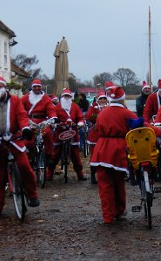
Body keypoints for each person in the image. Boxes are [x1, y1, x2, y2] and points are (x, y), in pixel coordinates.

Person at [0, 75, 40, 217]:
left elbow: (22, 116)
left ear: (5, 88)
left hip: (13, 138)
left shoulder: (15, 101)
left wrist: (25, 128)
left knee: (24, 166)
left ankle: (32, 194)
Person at [88, 86, 144, 224]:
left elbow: (96, 130)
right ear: (122, 98)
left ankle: (108, 216)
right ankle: (119, 210)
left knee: (105, 184)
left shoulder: (102, 113)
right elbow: (140, 127)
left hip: (101, 151)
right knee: (119, 181)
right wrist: (158, 132)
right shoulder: (127, 114)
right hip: (118, 151)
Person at [20, 79, 57, 179]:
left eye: (38, 86)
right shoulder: (25, 98)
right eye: (35, 86)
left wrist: (53, 117)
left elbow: (50, 109)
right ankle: (31, 156)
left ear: (41, 87)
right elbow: (20, 109)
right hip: (30, 121)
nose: (37, 88)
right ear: (32, 87)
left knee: (48, 134)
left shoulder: (45, 98)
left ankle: (48, 156)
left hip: (42, 121)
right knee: (28, 140)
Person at [51, 88, 87, 181]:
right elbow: (53, 116)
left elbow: (80, 117)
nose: (67, 98)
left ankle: (80, 173)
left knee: (75, 154)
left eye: (68, 96)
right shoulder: (58, 107)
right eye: (65, 96)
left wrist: (80, 123)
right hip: (60, 131)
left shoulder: (75, 106)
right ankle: (49, 172)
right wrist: (54, 122)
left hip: (72, 131)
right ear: (62, 97)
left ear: (71, 97)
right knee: (55, 153)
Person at [85, 92, 109, 183]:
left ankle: (106, 174)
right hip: (95, 134)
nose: (102, 100)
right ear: (97, 100)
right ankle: (93, 175)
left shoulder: (109, 106)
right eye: (100, 99)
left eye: (104, 98)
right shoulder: (93, 107)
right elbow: (88, 116)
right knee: (94, 155)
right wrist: (99, 116)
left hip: (107, 134)